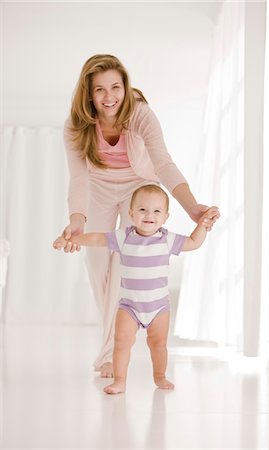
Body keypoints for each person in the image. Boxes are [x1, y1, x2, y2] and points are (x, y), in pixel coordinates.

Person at [59, 54, 219, 378]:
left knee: (124, 265)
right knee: (98, 267)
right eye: (100, 90)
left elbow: (163, 163)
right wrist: (77, 221)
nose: (109, 97)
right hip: (99, 189)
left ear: (125, 86)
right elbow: (79, 179)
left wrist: (191, 207)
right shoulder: (76, 125)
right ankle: (111, 343)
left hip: (138, 185)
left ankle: (108, 355)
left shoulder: (140, 114)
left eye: (115, 87)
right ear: (88, 94)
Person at [53, 185, 219, 394]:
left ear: (166, 217)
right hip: (129, 306)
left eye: (156, 211)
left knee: (158, 344)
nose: (149, 215)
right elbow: (97, 238)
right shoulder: (124, 236)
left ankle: (160, 376)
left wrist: (203, 223)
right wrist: (72, 239)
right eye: (142, 210)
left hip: (158, 307)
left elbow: (194, 242)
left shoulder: (167, 239)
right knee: (121, 341)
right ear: (131, 214)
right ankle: (120, 380)